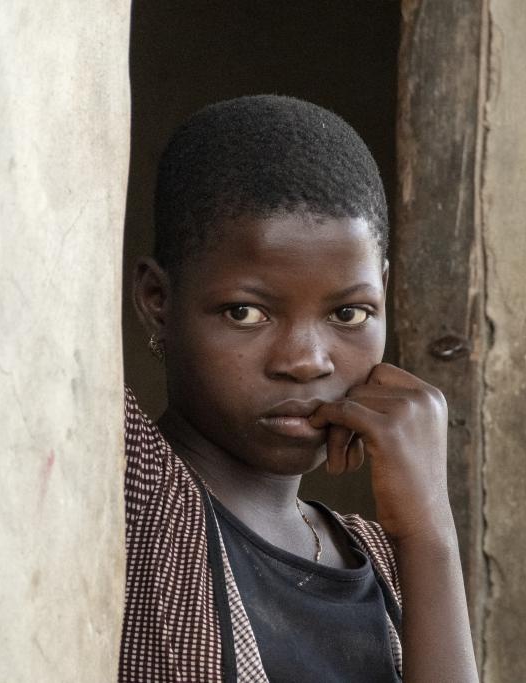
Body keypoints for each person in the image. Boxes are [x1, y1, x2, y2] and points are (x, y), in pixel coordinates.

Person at [121, 94, 477, 682]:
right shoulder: (128, 506)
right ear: (158, 302)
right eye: (244, 313)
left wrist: (430, 534)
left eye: (349, 315)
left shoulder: (384, 559)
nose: (306, 362)